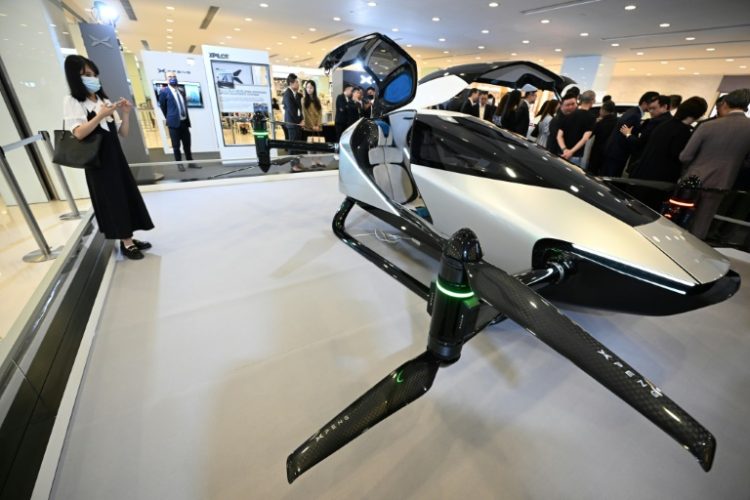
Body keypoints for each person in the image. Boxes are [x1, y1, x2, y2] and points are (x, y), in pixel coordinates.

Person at [63, 55, 153, 260]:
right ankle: (126, 242)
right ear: (75, 77)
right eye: (87, 75)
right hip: (98, 162)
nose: (92, 78)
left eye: (94, 74)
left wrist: (126, 113)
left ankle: (128, 237)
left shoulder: (103, 100)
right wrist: (100, 116)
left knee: (125, 195)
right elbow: (78, 133)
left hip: (115, 157)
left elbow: (123, 133)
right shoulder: (73, 101)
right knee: (113, 199)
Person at [679, 88, 750, 239]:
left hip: (693, 180)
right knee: (701, 224)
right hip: (721, 182)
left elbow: (685, 156)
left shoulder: (708, 125)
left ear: (725, 103)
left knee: (678, 218)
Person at [629, 97, 708, 187]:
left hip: (644, 172)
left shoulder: (666, 124)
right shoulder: (683, 131)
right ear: (699, 114)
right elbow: (679, 157)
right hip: (659, 180)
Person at [602, 90, 660, 177]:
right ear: (644, 103)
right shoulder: (634, 115)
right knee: (610, 179)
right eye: (652, 104)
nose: (653, 107)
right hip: (617, 154)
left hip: (613, 151)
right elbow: (623, 134)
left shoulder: (633, 111)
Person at [620, 94, 672, 174]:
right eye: (650, 108)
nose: (650, 111)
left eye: (654, 108)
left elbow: (640, 144)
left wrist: (628, 134)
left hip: (643, 163)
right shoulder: (670, 121)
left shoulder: (655, 122)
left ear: (665, 107)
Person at [159, 71, 198, 171]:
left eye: (174, 76)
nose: (172, 78)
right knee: (176, 146)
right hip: (173, 124)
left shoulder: (181, 90)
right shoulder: (164, 92)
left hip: (184, 122)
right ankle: (179, 164)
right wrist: (171, 117)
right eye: (170, 76)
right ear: (166, 79)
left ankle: (190, 162)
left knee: (187, 144)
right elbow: (163, 108)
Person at [556, 92, 595, 166]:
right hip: (575, 155)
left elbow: (559, 136)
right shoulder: (591, 117)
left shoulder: (569, 113)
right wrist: (571, 152)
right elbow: (585, 138)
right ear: (592, 101)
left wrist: (565, 150)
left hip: (562, 153)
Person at [587, 100, 618, 175]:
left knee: (592, 173)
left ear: (604, 110)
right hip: (610, 154)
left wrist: (595, 123)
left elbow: (589, 135)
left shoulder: (600, 123)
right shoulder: (617, 122)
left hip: (597, 153)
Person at [282, 73, 305, 171]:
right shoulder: (287, 94)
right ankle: (293, 165)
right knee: (292, 145)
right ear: (291, 83)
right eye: (296, 82)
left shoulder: (296, 94)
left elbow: (300, 109)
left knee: (297, 144)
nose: (298, 84)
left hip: (297, 123)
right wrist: (299, 122)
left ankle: (297, 163)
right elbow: (292, 111)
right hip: (292, 124)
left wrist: (302, 119)